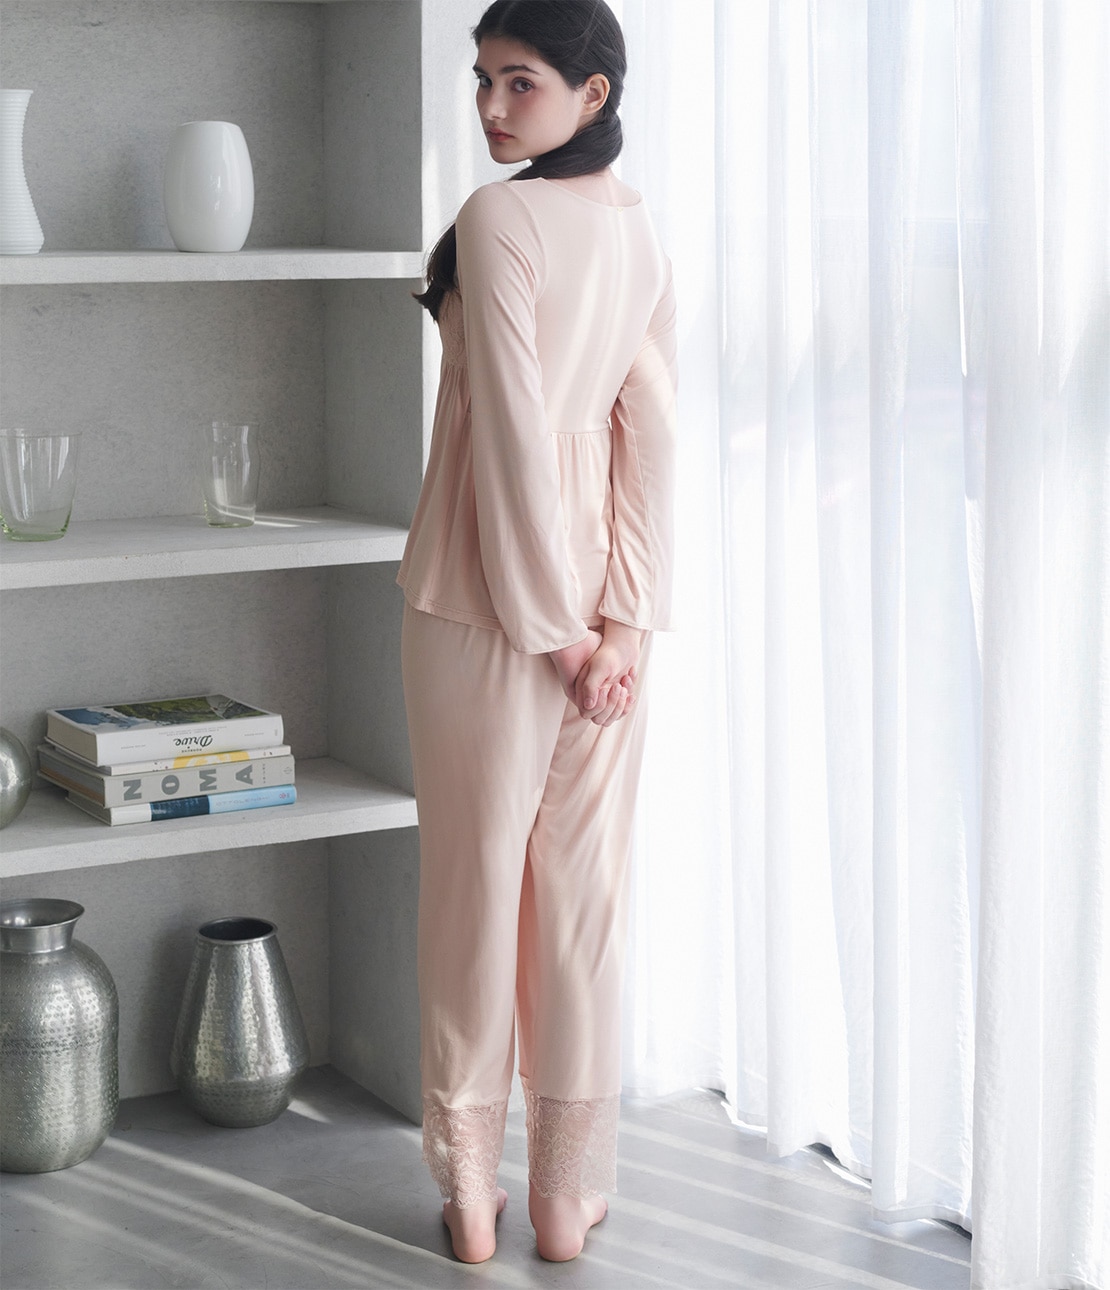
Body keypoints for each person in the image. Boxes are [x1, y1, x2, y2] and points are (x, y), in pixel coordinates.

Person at [397, 0, 677, 1265]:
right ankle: (563, 1203)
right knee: (576, 906)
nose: (492, 108)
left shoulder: (498, 218)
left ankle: (475, 1202)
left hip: (486, 607)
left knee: (475, 894)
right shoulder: (636, 227)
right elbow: (647, 441)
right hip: (598, 623)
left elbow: (514, 443)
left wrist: (572, 633)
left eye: (521, 83)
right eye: (483, 81)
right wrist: (628, 620)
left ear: (592, 93)